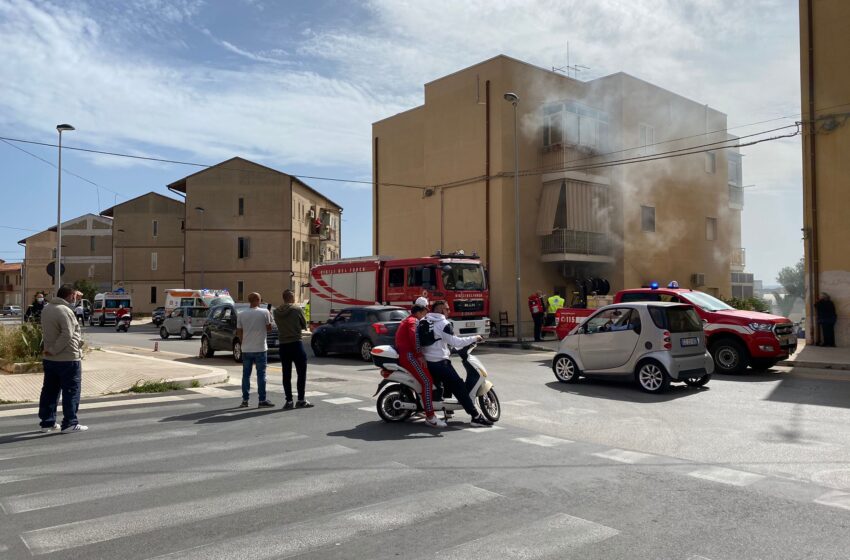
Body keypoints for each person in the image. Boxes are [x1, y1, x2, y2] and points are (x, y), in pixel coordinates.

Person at [420, 300, 492, 427]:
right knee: (459, 387)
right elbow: (456, 342)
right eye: (447, 309)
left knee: (447, 384)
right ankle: (475, 416)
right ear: (441, 310)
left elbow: (435, 341)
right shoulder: (443, 323)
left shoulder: (425, 320)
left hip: (428, 362)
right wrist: (475, 337)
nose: (449, 311)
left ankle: (447, 410)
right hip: (440, 363)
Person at [38, 285, 87, 433]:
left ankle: (47, 422)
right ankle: (70, 422)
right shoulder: (65, 310)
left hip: (50, 360)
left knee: (50, 391)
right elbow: (67, 334)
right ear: (69, 295)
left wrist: (50, 352)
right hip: (67, 358)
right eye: (74, 296)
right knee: (71, 390)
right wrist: (54, 351)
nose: (75, 299)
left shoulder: (47, 308)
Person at [396, 298, 445, 428]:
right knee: (427, 382)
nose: (426, 314)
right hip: (410, 356)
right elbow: (415, 338)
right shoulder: (413, 321)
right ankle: (430, 417)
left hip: (408, 355)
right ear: (420, 311)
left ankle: (425, 408)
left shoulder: (409, 320)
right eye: (425, 311)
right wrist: (419, 355)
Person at [274, 289, 313, 409]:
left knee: (286, 374)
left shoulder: (276, 311)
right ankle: (300, 399)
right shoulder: (296, 309)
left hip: (283, 344)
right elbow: (304, 325)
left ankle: (289, 400)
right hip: (296, 343)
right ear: (291, 298)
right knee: (301, 372)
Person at [236, 292, 274, 408]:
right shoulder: (264, 312)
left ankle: (245, 400)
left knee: (246, 375)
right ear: (258, 300)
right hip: (260, 348)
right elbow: (269, 329)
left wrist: (243, 344)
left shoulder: (241, 314)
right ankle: (262, 400)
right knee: (261, 374)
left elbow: (239, 332)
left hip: (246, 348)